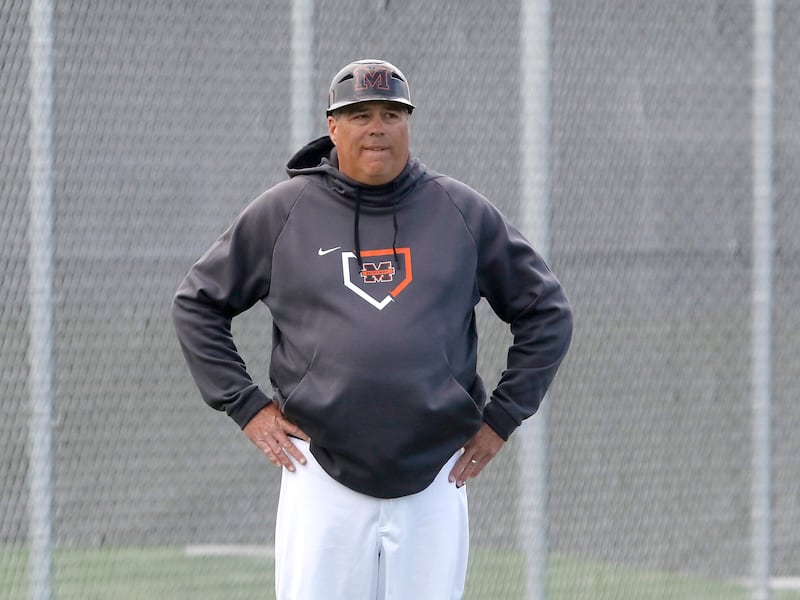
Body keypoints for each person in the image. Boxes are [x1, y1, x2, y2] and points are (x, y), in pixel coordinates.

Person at [172, 58, 573, 599]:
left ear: (409, 123)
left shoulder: (460, 212)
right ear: (332, 128)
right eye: (359, 115)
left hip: (435, 475)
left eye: (391, 114)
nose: (377, 127)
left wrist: (502, 417)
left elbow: (546, 311)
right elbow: (198, 304)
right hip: (318, 473)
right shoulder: (283, 212)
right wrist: (245, 405)